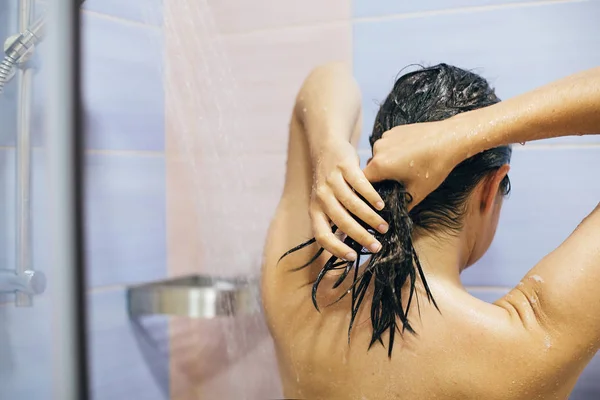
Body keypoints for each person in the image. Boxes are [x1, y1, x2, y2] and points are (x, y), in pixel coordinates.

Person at [261, 62, 600, 400]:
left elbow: (324, 81)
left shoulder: (294, 294)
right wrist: (470, 132)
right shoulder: (526, 345)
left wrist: (330, 146)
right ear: (490, 187)